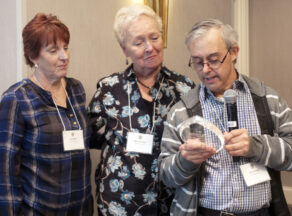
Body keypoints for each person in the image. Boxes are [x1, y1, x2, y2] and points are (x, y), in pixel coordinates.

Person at [159, 19, 292, 216]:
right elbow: (165, 175)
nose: (205, 69)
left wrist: (255, 146)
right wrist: (185, 161)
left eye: (214, 59)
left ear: (234, 52)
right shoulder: (181, 111)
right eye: (198, 62)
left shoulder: (267, 99)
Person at [87, 4, 194, 216]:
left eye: (154, 38)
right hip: (118, 204)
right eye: (139, 41)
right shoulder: (109, 89)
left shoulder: (183, 88)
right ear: (124, 48)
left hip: (168, 202)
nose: (149, 47)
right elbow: (90, 135)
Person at [0, 13, 93, 215]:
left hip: (81, 208)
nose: (64, 56)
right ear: (33, 56)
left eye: (65, 48)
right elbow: (5, 173)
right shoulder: (17, 99)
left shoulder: (76, 90)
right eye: (53, 50)